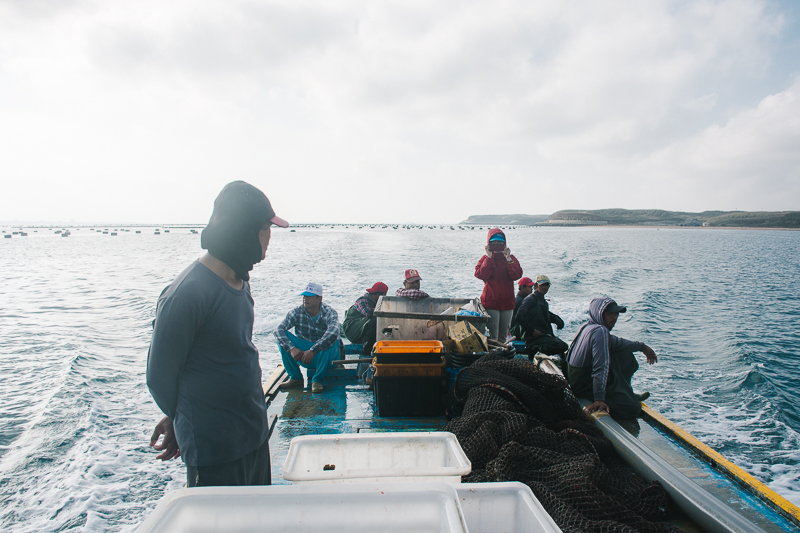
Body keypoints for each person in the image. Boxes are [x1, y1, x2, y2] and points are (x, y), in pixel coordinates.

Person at [146, 180, 288, 487]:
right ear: (245, 230)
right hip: (216, 450)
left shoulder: (240, 283)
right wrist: (180, 418)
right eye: (267, 227)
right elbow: (159, 377)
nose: (270, 237)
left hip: (252, 435)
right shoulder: (187, 295)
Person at [566, 296, 657, 419]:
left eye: (616, 314)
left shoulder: (589, 326)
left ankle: (625, 391)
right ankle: (621, 398)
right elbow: (600, 367)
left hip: (575, 378)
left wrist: (642, 347)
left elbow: (618, 342)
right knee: (633, 408)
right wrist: (599, 399)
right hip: (583, 385)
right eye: (609, 314)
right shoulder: (601, 331)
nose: (614, 317)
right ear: (599, 314)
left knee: (624, 353)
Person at [276, 282, 341, 393]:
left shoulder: (330, 312)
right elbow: (278, 330)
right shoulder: (296, 312)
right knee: (282, 337)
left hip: (328, 357)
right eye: (304, 296)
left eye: (310, 297)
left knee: (332, 339)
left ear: (319, 298)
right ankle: (295, 377)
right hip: (305, 356)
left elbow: (333, 333)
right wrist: (292, 349)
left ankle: (317, 380)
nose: (306, 299)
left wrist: (313, 350)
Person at [474, 229, 523, 341]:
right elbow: (480, 274)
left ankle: (500, 356)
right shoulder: (485, 259)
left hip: (507, 303)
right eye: (494, 243)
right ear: (489, 244)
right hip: (491, 302)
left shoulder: (511, 259)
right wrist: (489, 257)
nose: (497, 245)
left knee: (503, 336)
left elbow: (517, 275)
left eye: (500, 243)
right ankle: (493, 356)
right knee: (493, 335)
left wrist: (508, 259)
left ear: (504, 244)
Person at [516, 275, 567, 358]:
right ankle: (535, 349)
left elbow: (545, 315)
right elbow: (519, 316)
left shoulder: (543, 302)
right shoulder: (530, 299)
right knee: (557, 345)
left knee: (564, 346)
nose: (545, 287)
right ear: (536, 286)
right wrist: (532, 330)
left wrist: (557, 320)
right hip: (531, 336)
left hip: (542, 334)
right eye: (542, 285)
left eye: (547, 285)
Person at [342, 282, 388, 355]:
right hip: (351, 331)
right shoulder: (362, 300)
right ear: (379, 294)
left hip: (360, 330)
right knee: (375, 320)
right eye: (384, 295)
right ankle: (367, 350)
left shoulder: (376, 303)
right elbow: (368, 313)